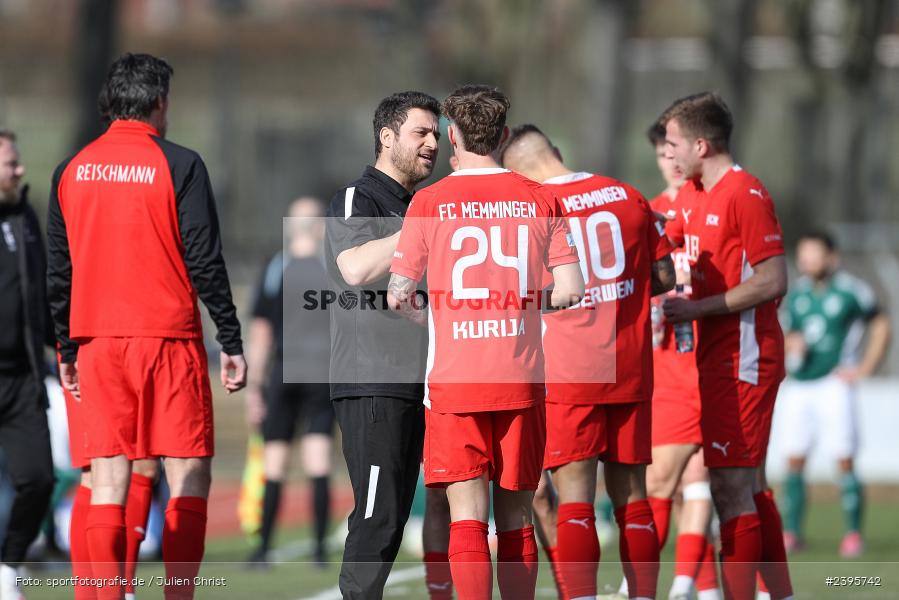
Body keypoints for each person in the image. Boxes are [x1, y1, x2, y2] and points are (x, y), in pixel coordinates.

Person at [46, 53, 246, 600]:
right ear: (159, 102)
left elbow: (58, 271)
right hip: (168, 340)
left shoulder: (70, 169)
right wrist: (230, 338)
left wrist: (67, 347)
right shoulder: (179, 164)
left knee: (107, 482)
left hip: (96, 344)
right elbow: (205, 261)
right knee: (188, 476)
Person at [388, 85, 584, 600]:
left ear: (453, 134)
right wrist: (517, 307)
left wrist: (444, 318)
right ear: (501, 135)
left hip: (457, 383)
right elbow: (572, 290)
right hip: (520, 380)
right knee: (517, 516)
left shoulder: (429, 201)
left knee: (467, 519)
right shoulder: (540, 197)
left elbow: (398, 295)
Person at [501, 124, 675, 600]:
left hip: (569, 372)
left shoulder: (531, 210)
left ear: (517, 173)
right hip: (630, 365)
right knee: (634, 500)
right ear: (556, 151)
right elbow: (664, 275)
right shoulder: (628, 195)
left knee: (575, 502)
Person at [660, 92, 792, 600]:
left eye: (672, 144)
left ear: (700, 143)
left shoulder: (744, 193)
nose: (668, 154)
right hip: (712, 360)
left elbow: (773, 279)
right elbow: (661, 248)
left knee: (732, 486)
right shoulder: (692, 195)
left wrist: (697, 309)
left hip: (746, 360)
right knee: (738, 486)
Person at [324, 90, 440, 599]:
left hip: (420, 381)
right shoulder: (361, 196)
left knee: (399, 516)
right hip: (372, 379)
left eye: (437, 134)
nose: (433, 143)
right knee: (378, 514)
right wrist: (425, 227)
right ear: (387, 137)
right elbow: (353, 268)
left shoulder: (422, 205)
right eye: (421, 132)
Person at [778, 231, 890, 558]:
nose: (807, 260)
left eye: (814, 253)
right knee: (794, 458)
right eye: (803, 253)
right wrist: (790, 343)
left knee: (843, 459)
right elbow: (783, 333)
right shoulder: (796, 295)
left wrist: (866, 366)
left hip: (834, 384)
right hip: (799, 384)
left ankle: (853, 535)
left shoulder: (851, 290)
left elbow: (880, 323)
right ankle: (792, 533)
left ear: (831, 257)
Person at [644, 121, 720, 600]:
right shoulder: (648, 213)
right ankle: (701, 588)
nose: (669, 161)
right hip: (661, 364)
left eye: (674, 151)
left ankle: (675, 587)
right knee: (680, 482)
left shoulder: (713, 205)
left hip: (701, 362)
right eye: (661, 154)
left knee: (688, 476)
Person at [244, 196, 334, 566]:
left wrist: (254, 386)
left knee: (276, 461)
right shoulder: (331, 265)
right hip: (320, 373)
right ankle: (318, 551)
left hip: (286, 372)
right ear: (318, 226)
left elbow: (261, 332)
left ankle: (263, 550)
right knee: (317, 460)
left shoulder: (277, 267)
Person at [0, 128, 55, 600]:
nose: (20, 170)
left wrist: (65, 347)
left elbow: (43, 291)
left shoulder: (25, 217)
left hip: (21, 376)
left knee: (37, 477)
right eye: (10, 164)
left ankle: (7, 564)